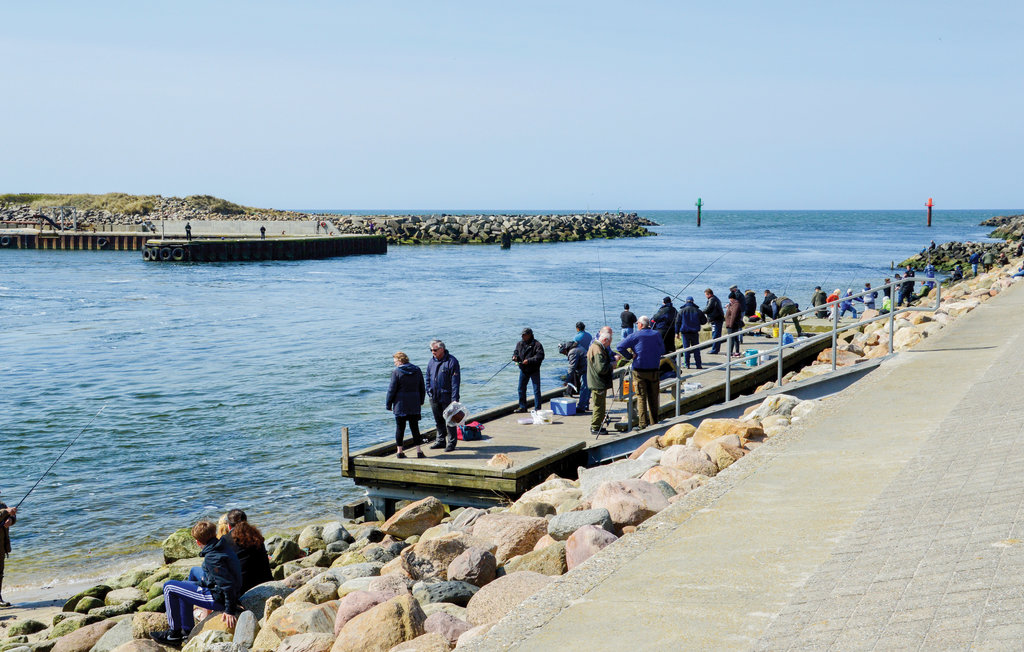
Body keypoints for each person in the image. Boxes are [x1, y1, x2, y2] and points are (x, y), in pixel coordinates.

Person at [154, 521, 242, 647]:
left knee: (168, 587)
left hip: (217, 598)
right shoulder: (222, 544)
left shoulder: (212, 558)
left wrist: (229, 610)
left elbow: (227, 585)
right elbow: (220, 578)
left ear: (198, 542)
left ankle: (174, 634)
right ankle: (187, 629)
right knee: (189, 577)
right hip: (224, 590)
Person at [617, 317, 665, 430]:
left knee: (641, 397)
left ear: (640, 325)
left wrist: (630, 356)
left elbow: (619, 346)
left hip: (639, 370)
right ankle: (654, 423)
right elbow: (662, 350)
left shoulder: (635, 335)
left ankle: (643, 424)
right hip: (654, 369)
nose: (637, 325)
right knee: (653, 397)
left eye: (637, 323)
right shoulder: (656, 334)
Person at [387, 351, 426, 458]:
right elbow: (422, 387)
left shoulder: (396, 372)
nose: (394, 363)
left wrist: (388, 404)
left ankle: (399, 451)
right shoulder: (417, 370)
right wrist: (421, 401)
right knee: (415, 427)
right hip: (414, 403)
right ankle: (419, 451)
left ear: (400, 361)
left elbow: (391, 390)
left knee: (400, 428)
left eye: (395, 361)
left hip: (400, 404)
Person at [224, 510, 272, 593]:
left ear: (229, 526)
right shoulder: (256, 535)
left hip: (242, 587)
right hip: (265, 581)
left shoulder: (225, 540)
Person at [426, 340, 461, 452]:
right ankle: (441, 441)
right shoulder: (431, 361)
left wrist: (454, 399)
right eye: (431, 350)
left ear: (442, 349)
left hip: (447, 396)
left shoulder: (452, 361)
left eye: (435, 350)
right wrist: (428, 391)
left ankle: (451, 443)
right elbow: (427, 377)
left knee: (450, 420)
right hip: (434, 396)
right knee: (438, 420)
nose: (433, 352)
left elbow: (455, 382)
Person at [587, 332, 613, 435]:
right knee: (599, 406)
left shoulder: (595, 347)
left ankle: (598, 425)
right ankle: (595, 427)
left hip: (596, 381)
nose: (609, 345)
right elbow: (601, 369)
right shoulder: (597, 349)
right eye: (609, 342)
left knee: (600, 405)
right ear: (605, 340)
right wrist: (612, 365)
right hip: (597, 382)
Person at [513, 328, 545, 413]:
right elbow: (516, 352)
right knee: (521, 389)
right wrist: (514, 357)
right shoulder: (519, 344)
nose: (522, 336)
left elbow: (540, 356)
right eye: (522, 335)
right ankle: (522, 407)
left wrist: (529, 361)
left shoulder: (537, 344)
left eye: (524, 335)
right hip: (523, 369)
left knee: (536, 390)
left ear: (529, 335)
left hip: (534, 370)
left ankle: (537, 409)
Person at [675, 296, 706, 369]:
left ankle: (687, 365)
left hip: (685, 333)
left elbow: (677, 323)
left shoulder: (681, 311)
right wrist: (698, 322)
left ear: (686, 302)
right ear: (693, 302)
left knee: (686, 349)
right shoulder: (698, 310)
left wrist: (677, 332)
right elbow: (704, 321)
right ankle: (698, 365)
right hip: (694, 332)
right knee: (696, 349)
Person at [0, 493, 16, 608]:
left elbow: (13, 517)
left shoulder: (2, 505)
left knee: (0, 573)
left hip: (2, 546)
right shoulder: (4, 508)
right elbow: (5, 512)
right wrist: (6, 512)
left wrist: (10, 519)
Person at [572, 322, 592, 412]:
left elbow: (574, 349)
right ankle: (586, 404)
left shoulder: (576, 337)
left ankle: (581, 406)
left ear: (577, 328)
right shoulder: (589, 335)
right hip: (590, 360)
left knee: (584, 384)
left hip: (582, 362)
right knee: (588, 384)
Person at [703, 289, 725, 354]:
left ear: (709, 294)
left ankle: (714, 350)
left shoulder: (712, 300)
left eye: (706, 295)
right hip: (717, 319)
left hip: (716, 319)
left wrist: (700, 312)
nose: (705, 296)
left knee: (715, 335)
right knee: (716, 334)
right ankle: (715, 349)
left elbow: (708, 308)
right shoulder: (715, 299)